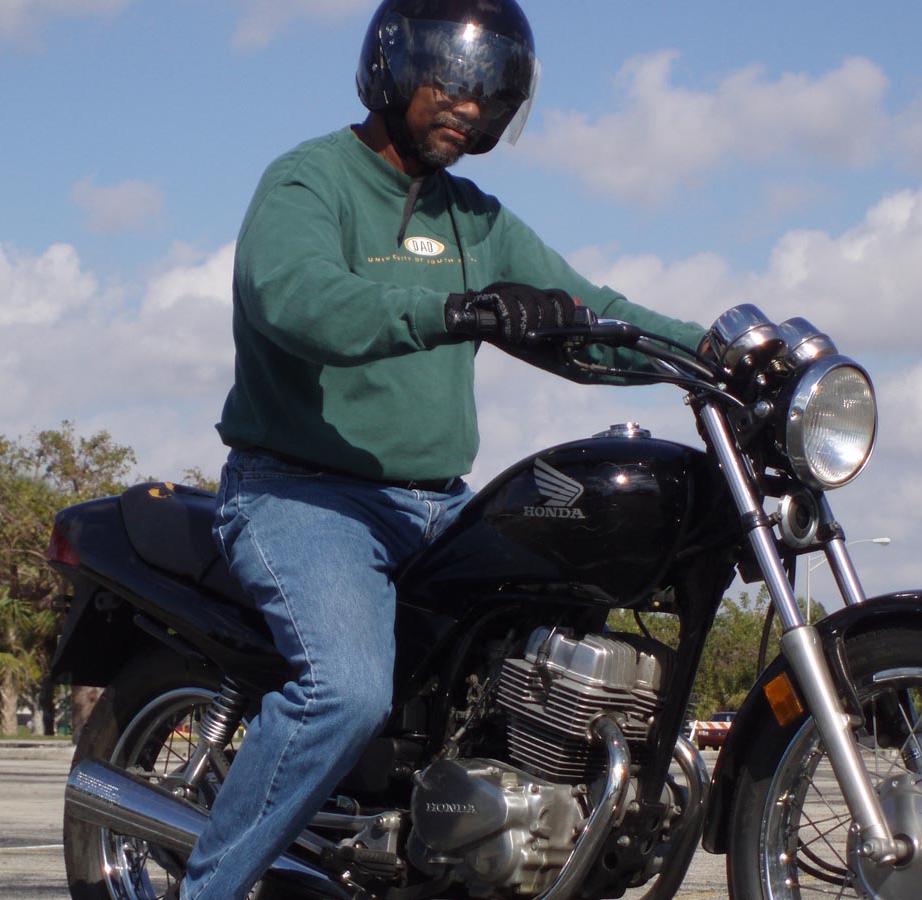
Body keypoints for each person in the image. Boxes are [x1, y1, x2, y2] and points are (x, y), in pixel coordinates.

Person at [180, 1, 704, 898]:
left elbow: (593, 314)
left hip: (437, 503)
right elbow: (300, 300)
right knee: (346, 694)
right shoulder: (309, 181)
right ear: (393, 65)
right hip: (303, 494)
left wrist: (717, 351)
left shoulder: (477, 219)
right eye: (454, 82)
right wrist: (456, 310)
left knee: (542, 641)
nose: (471, 105)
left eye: (492, 92)